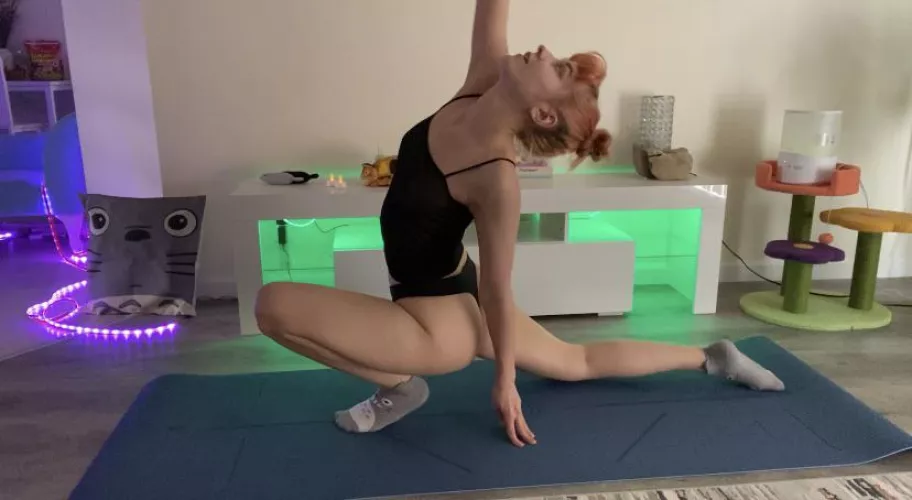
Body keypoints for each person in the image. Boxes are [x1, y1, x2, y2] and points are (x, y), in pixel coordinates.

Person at [254, 0, 785, 448]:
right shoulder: (482, 82)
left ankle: (400, 386)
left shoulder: (496, 179)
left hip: (437, 323)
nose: (545, 51)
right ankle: (712, 357)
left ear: (544, 114)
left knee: (273, 305)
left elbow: (498, 290)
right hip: (455, 286)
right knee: (575, 360)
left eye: (559, 69)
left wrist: (505, 381)